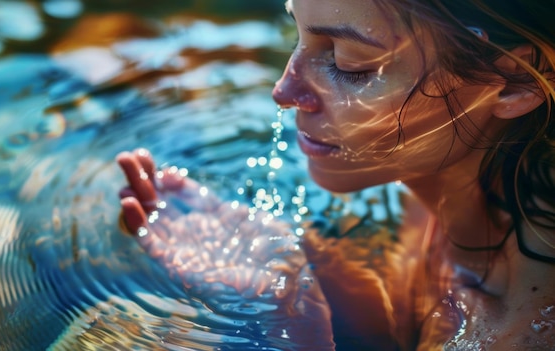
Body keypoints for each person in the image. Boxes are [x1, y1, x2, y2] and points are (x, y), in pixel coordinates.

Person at [116, 0, 555, 350]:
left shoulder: (515, 337)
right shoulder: (438, 199)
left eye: (350, 64)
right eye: (299, 35)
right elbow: (399, 327)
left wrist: (294, 336)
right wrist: (291, 284)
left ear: (514, 82)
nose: (283, 91)